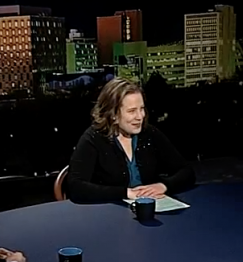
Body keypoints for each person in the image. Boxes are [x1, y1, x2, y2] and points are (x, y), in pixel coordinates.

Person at [66, 77, 195, 203]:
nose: (140, 116)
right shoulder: (93, 138)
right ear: (113, 115)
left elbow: (187, 172)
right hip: (107, 212)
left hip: (150, 209)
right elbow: (76, 188)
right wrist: (126, 193)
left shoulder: (149, 134)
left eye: (142, 109)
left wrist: (163, 186)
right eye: (132, 111)